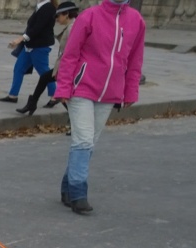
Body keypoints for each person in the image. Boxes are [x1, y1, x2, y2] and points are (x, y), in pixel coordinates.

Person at [52, 0, 145, 214]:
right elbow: (70, 55)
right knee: (83, 140)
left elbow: (135, 59)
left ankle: (67, 186)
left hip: (110, 92)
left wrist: (130, 91)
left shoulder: (136, 20)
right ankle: (78, 192)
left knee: (87, 143)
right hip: (82, 87)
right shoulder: (89, 16)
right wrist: (64, 88)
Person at [18, 1, 78, 115]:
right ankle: (32, 103)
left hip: (67, 67)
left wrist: (65, 69)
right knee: (45, 78)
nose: (56, 19)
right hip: (63, 65)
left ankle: (74, 119)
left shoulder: (73, 28)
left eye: (58, 15)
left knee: (61, 94)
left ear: (66, 14)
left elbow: (72, 52)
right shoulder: (72, 26)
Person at [0, 0, 57, 103]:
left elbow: (37, 28)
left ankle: (55, 95)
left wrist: (21, 38)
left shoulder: (48, 7)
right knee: (18, 68)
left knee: (44, 72)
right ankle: (13, 95)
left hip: (39, 46)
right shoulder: (41, 6)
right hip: (30, 45)